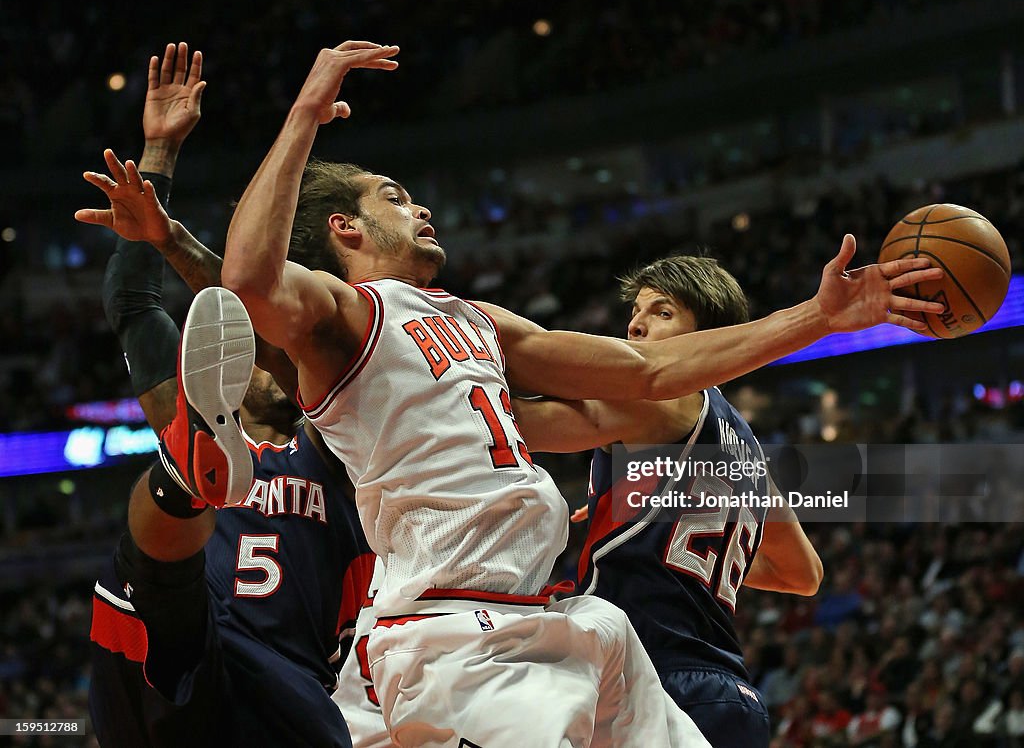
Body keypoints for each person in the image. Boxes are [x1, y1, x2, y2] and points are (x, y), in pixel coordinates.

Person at [215, 41, 942, 747]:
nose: (421, 210)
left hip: (561, 623)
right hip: (452, 626)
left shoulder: (480, 320)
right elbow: (248, 280)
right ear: (344, 227)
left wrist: (821, 316)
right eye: (395, 199)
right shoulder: (344, 313)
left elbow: (648, 372)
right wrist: (305, 114)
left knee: (609, 633)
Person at [81, 43, 372, 747]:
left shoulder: (333, 437)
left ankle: (193, 474)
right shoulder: (176, 404)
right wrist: (158, 150)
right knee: (145, 580)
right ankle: (195, 468)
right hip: (190, 646)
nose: (268, 362)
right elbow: (131, 301)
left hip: (292, 675)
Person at [510, 255, 825, 748]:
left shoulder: (660, 401)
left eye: (662, 312)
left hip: (651, 683)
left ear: (710, 335)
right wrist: (667, 524)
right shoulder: (747, 453)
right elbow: (802, 574)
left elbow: (519, 422)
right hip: (729, 693)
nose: (636, 323)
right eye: (636, 310)